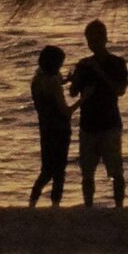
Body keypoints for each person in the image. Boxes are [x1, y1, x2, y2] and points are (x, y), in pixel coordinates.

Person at [68, 19, 128, 207]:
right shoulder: (83, 64)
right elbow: (73, 92)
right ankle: (88, 206)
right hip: (88, 124)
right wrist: (75, 79)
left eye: (95, 40)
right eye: (89, 40)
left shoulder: (117, 63)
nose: (92, 44)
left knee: (115, 170)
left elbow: (119, 90)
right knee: (87, 172)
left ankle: (119, 205)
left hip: (109, 123)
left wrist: (100, 72)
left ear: (104, 39)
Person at [27, 45, 73, 206]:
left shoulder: (37, 79)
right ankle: (55, 203)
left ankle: (33, 199)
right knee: (59, 169)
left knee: (47, 169)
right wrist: (84, 99)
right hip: (60, 129)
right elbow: (66, 111)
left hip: (45, 128)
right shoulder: (52, 81)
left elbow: (57, 82)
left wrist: (67, 80)